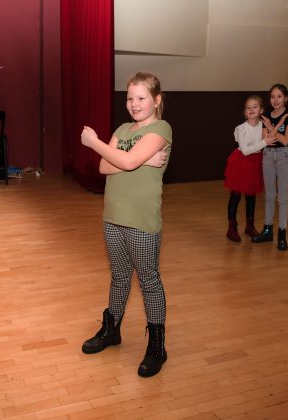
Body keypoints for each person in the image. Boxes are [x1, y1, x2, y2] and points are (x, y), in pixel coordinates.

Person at [79, 71, 171, 377]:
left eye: (141, 97)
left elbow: (125, 161)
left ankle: (157, 347)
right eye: (130, 98)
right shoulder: (122, 128)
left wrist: (96, 143)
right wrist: (139, 158)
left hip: (141, 221)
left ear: (156, 100)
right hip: (113, 217)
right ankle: (112, 330)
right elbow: (105, 166)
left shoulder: (161, 128)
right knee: (119, 277)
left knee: (148, 281)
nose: (134, 103)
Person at [224, 95, 277, 242]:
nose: (251, 109)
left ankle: (250, 225)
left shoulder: (263, 126)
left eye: (255, 107)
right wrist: (264, 142)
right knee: (235, 195)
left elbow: (275, 138)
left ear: (261, 110)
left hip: (256, 162)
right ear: (244, 112)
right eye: (248, 107)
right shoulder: (240, 129)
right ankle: (231, 227)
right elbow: (246, 151)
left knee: (251, 195)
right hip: (241, 162)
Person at [252, 84, 288, 250]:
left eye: (279, 96)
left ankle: (282, 234)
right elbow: (267, 139)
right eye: (272, 96)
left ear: (286, 98)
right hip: (268, 155)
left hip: (284, 156)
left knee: (282, 197)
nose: (275, 100)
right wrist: (275, 130)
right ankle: (268, 230)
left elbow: (285, 141)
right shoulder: (266, 117)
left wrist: (272, 127)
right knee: (269, 195)